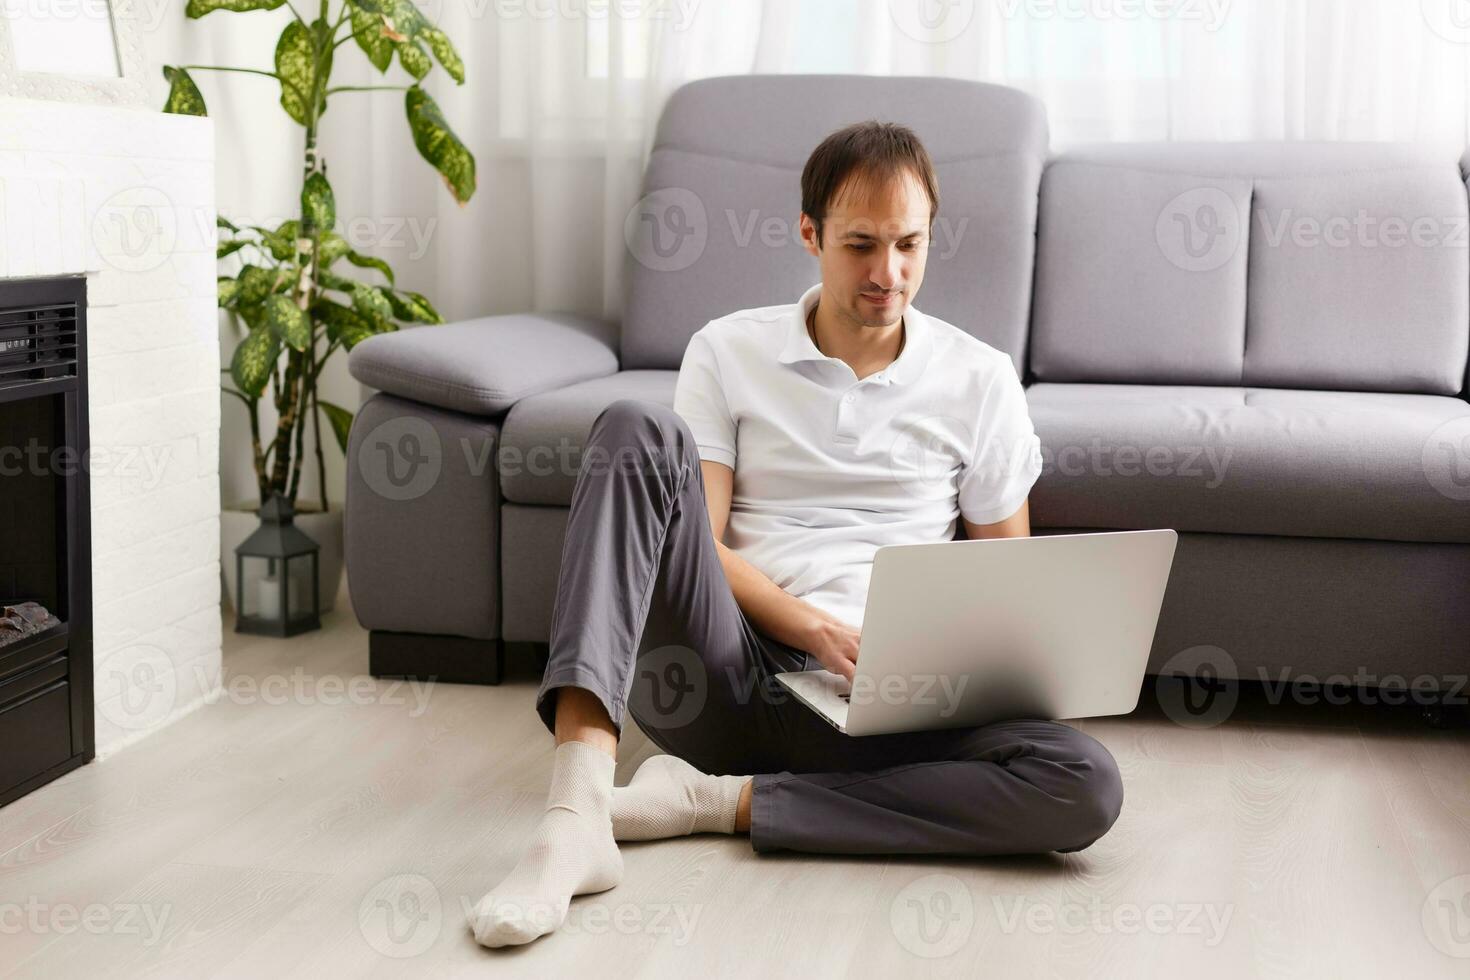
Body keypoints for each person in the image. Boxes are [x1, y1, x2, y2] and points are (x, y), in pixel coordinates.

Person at [470, 121, 1124, 948]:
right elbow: (695, 543)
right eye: (860, 245)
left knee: (1084, 783)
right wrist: (807, 625)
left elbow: (1010, 584)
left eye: (908, 245)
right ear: (809, 233)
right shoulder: (729, 349)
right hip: (733, 671)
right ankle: (574, 816)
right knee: (635, 428)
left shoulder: (980, 378)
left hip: (895, 704)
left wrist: (935, 665)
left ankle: (715, 801)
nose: (889, 275)